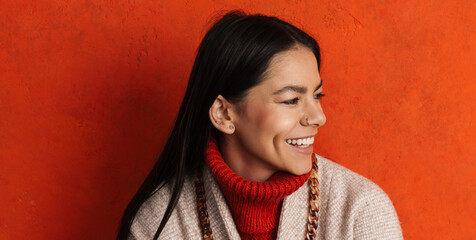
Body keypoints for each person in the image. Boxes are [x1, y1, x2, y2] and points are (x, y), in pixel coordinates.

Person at [116, 11, 403, 240]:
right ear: (224, 115)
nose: (318, 117)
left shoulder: (361, 210)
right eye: (291, 100)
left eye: (317, 95)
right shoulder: (159, 222)